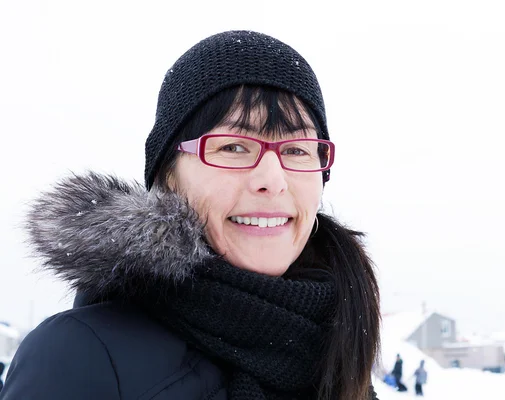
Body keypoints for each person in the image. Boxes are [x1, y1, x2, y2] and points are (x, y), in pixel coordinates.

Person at [0, 30, 380, 399]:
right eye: (233, 146)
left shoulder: (336, 348)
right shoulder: (79, 357)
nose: (272, 180)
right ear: (167, 176)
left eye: (297, 150)